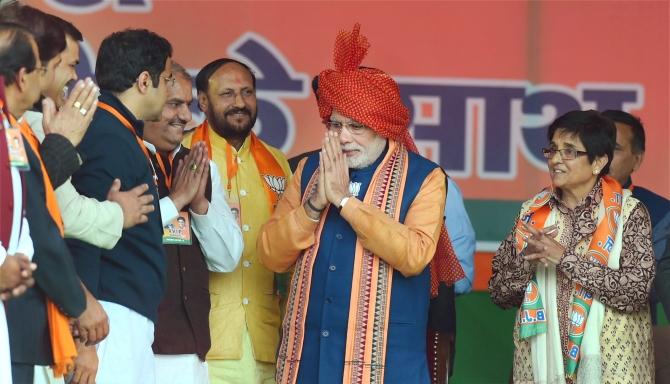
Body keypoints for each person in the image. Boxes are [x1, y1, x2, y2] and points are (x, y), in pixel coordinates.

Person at [257, 24, 463, 383]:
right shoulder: (308, 171)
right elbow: (271, 255)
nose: (344, 137)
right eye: (335, 125)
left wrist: (346, 202)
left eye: (357, 126)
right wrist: (312, 207)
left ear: (382, 126)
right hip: (307, 362)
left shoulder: (425, 177)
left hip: (386, 368)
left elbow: (414, 256)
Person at [489, 110, 655, 382]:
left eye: (569, 152)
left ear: (598, 161)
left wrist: (564, 258)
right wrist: (525, 263)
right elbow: (499, 294)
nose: (555, 160)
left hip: (613, 368)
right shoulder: (533, 213)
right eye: (552, 150)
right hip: (540, 368)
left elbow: (635, 291)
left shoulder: (629, 214)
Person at [66, 28, 172, 384]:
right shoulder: (103, 132)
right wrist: (84, 334)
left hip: (122, 312)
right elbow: (79, 231)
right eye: (167, 79)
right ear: (145, 81)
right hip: (106, 316)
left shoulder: (118, 129)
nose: (170, 91)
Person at [182, 57, 291, 383]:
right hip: (206, 341)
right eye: (227, 94)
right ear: (203, 101)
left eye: (247, 92)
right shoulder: (184, 153)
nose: (240, 102)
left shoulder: (276, 161)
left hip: (266, 341)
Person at [0, 21, 92, 384]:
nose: (48, 80)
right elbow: (37, 221)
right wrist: (79, 305)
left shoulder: (13, 128)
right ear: (23, 77)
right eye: (44, 69)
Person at [143, 62, 243, 383]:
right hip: (138, 341)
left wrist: (198, 204)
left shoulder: (200, 165)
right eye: (174, 104)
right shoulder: (125, 158)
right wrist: (174, 201)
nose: (186, 116)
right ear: (142, 102)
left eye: (187, 105)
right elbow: (115, 235)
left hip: (192, 345)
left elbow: (227, 259)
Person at [602, 110, 669, 266]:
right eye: (596, 146)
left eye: (615, 149)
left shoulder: (661, 214)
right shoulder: (558, 202)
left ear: (637, 160)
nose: (603, 156)